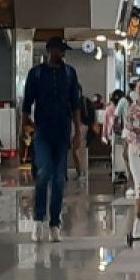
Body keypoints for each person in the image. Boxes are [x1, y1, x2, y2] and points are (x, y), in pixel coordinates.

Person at [22, 37, 83, 243]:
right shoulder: (36, 74)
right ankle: (38, 220)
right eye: (60, 50)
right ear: (50, 50)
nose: (63, 54)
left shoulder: (70, 73)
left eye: (64, 50)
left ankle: (55, 223)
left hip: (62, 132)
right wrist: (25, 124)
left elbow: (75, 104)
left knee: (59, 179)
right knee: (44, 172)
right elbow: (27, 102)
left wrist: (78, 132)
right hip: (42, 132)